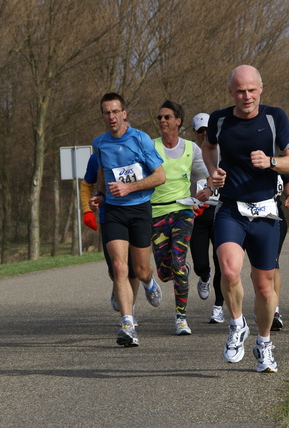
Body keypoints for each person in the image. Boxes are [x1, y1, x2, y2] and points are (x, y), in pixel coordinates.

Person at [202, 64, 289, 373]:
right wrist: (213, 173)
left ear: (261, 89)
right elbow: (208, 148)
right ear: (231, 92)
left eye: (252, 90)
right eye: (240, 91)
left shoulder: (275, 118)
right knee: (229, 271)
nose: (247, 96)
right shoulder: (219, 119)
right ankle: (236, 325)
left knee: (264, 287)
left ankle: (265, 343)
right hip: (230, 207)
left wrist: (271, 161)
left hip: (266, 210)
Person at [90, 92, 166, 347]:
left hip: (139, 209)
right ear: (102, 116)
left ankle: (149, 283)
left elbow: (159, 176)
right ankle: (127, 324)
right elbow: (103, 171)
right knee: (119, 268)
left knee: (141, 269)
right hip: (113, 211)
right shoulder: (99, 143)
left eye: (115, 112)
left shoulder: (140, 139)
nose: (111, 117)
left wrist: (129, 188)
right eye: (106, 112)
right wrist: (100, 194)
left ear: (124, 114)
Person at [150, 100, 211, 335]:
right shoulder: (150, 146)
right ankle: (174, 269)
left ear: (178, 121)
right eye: (159, 118)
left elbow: (206, 174)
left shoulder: (191, 149)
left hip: (183, 211)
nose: (163, 121)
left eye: (167, 117)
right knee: (165, 272)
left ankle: (181, 318)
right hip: (156, 212)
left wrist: (207, 191)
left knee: (178, 262)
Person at [80, 152, 140, 326]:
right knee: (116, 268)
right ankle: (119, 286)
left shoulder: (138, 152)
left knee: (134, 270)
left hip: (137, 215)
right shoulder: (98, 156)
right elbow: (86, 186)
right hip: (111, 217)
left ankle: (130, 310)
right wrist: (87, 210)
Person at [189, 112, 225, 324]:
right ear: (195, 132)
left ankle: (218, 306)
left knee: (221, 261)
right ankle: (203, 276)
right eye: (201, 131)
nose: (205, 134)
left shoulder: (224, 150)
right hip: (199, 213)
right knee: (200, 263)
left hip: (221, 212)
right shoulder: (191, 152)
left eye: (208, 130)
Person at [272, 174, 289, 330]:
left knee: (272, 264)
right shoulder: (246, 160)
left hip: (276, 218)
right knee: (258, 270)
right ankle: (262, 297)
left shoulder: (278, 163)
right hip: (246, 219)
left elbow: (287, 180)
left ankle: (274, 311)